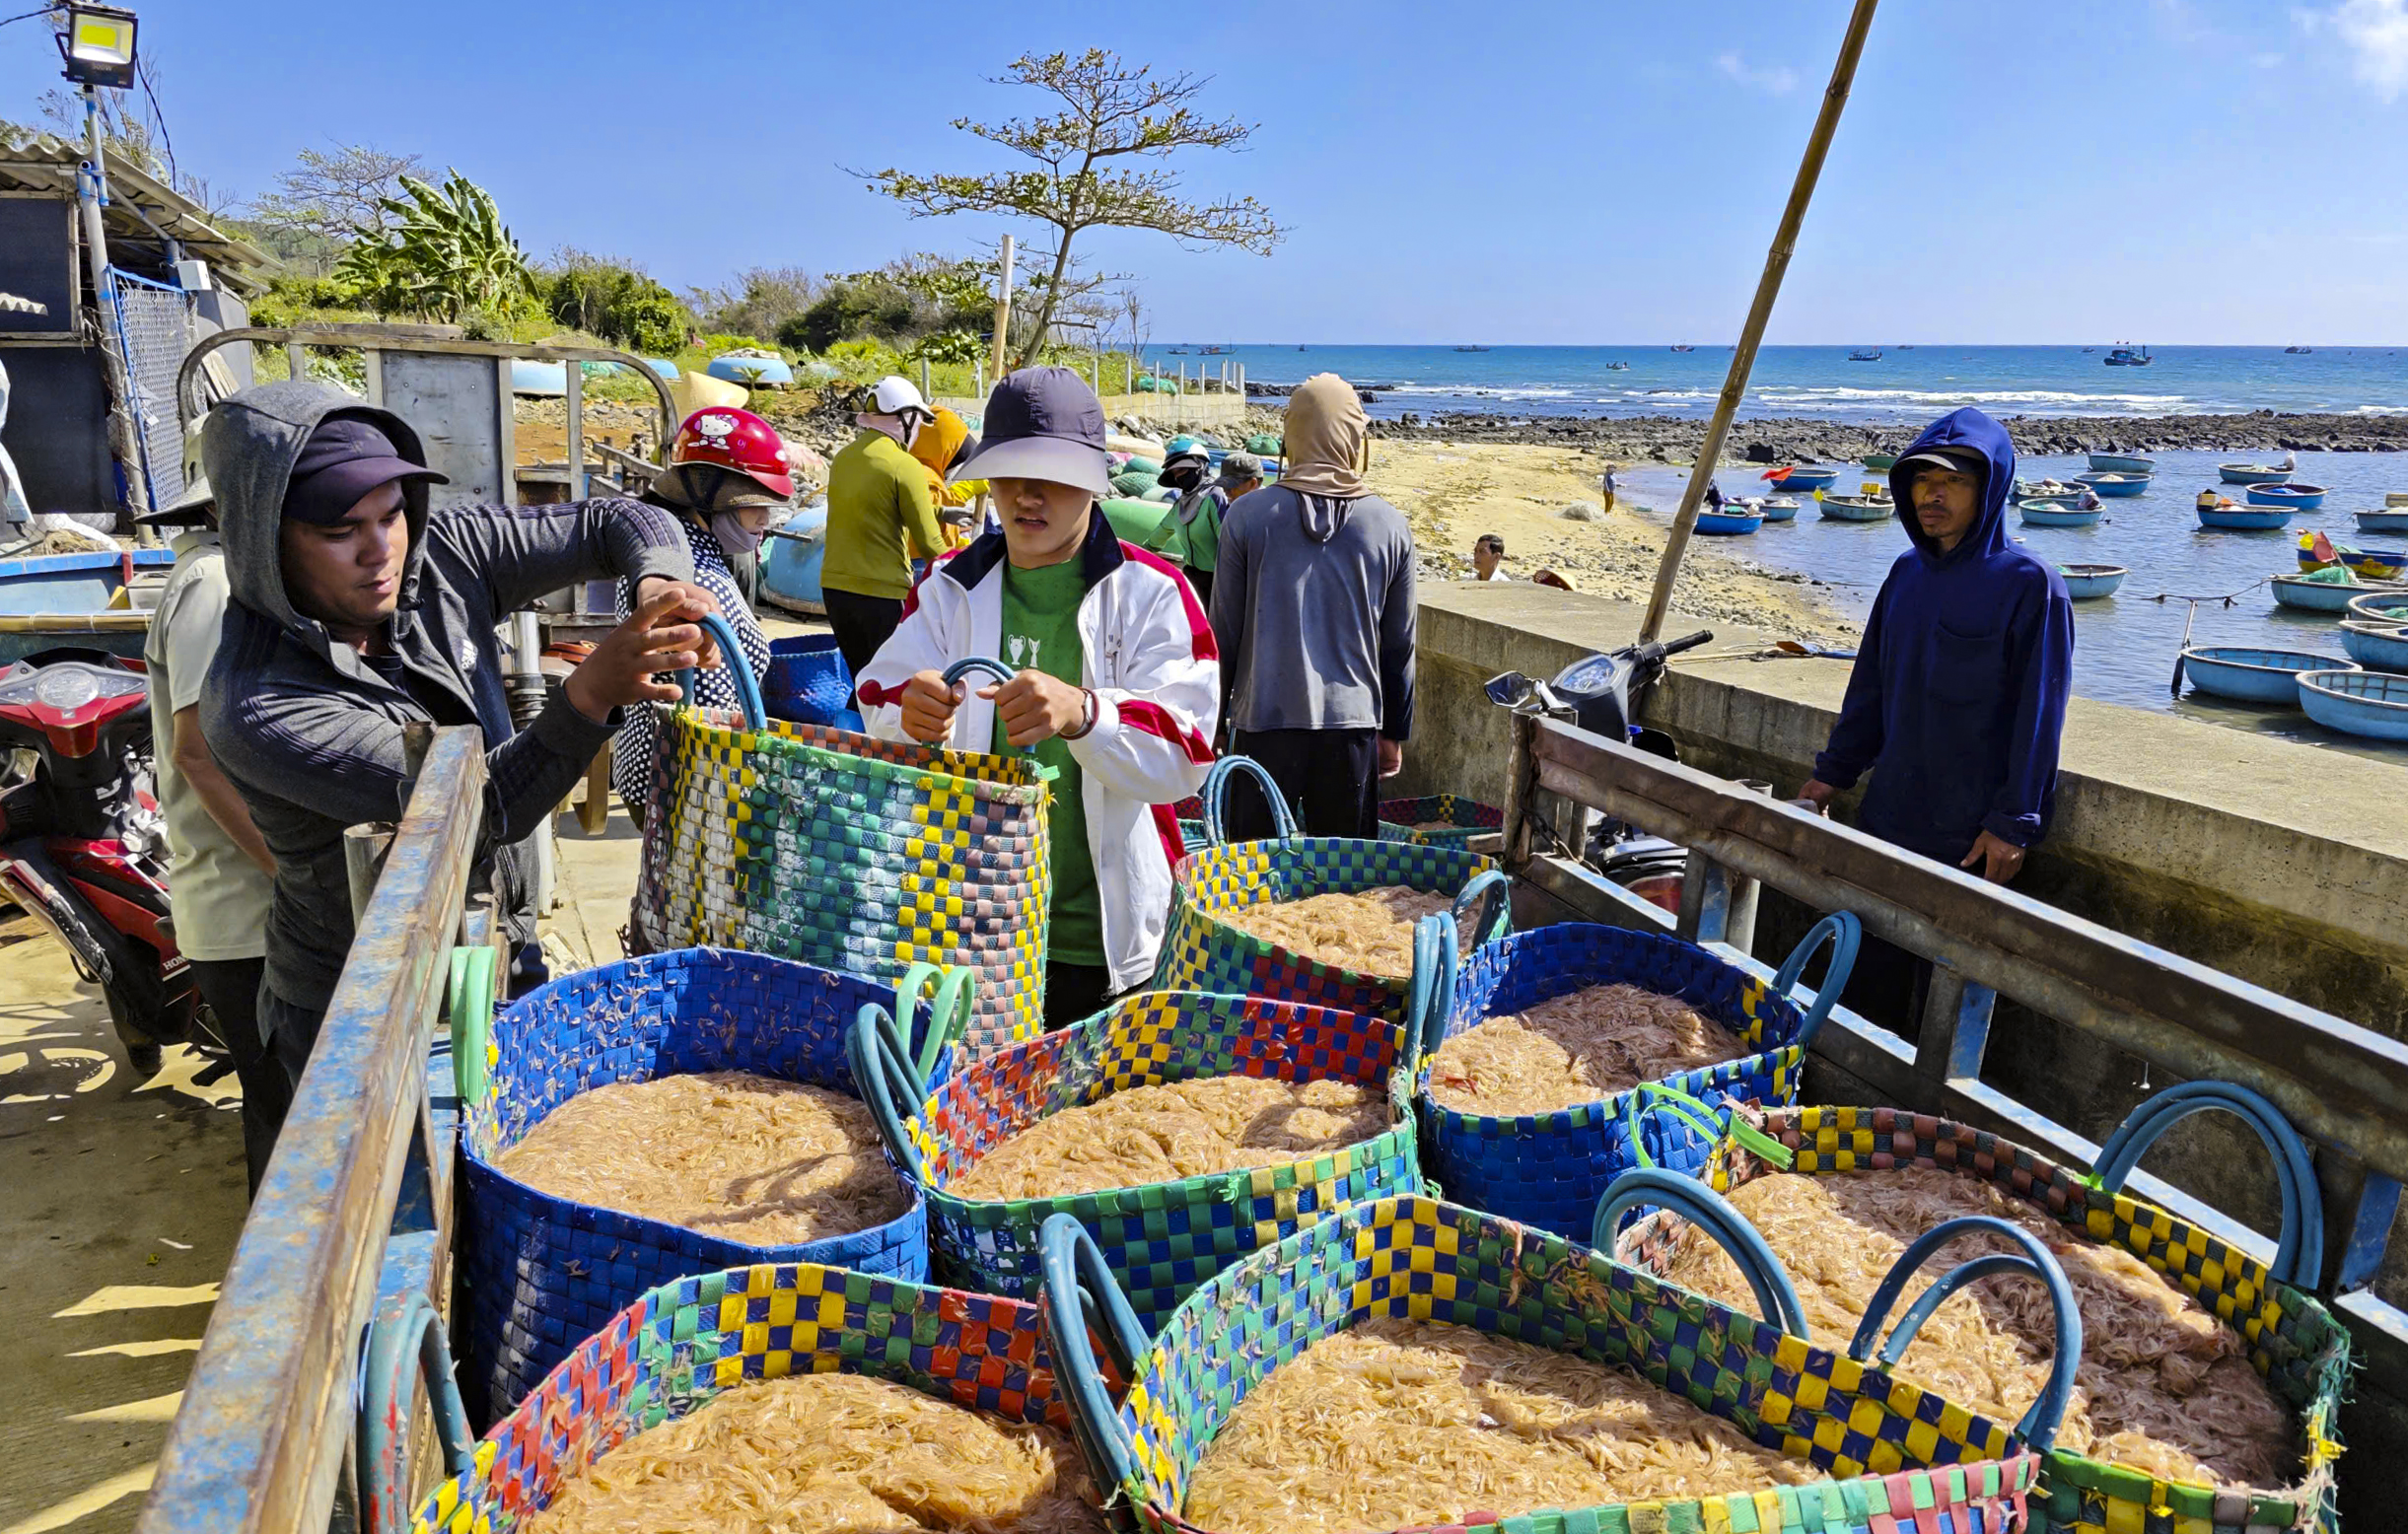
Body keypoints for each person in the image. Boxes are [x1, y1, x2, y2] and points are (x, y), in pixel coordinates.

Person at [201, 381, 716, 1130]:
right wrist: (589, 695)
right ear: (264, 536)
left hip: (491, 953)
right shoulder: (258, 704)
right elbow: (473, 809)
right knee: (396, 1207)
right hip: (363, 1005)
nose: (381, 548)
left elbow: (622, 517)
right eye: (341, 530)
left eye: (391, 515)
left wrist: (661, 578)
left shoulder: (444, 553)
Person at [855, 367, 1218, 1028]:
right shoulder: (945, 585)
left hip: (1104, 941)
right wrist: (910, 712)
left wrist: (1087, 714)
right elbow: (879, 690)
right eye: (1011, 471)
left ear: (1092, 483)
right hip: (966, 926)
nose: (1027, 494)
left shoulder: (1153, 591)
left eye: (1052, 475)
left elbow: (1186, 751)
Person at [1796, 407, 2073, 1019]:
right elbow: (1869, 687)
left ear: (1991, 488)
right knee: (1865, 992)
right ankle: (1854, 1112)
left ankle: (1921, 1115)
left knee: (1949, 1009)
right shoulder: (1904, 574)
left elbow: (2040, 714)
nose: (1933, 495)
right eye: (1921, 482)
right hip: (1888, 817)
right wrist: (1831, 774)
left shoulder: (2031, 584)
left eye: (1954, 482)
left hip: (1968, 837)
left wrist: (2013, 822)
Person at [137, 427, 284, 1194]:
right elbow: (198, 752)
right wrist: (287, 870)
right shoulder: (213, 584)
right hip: (243, 913)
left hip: (257, 902)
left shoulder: (241, 580)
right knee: (283, 1111)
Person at [1212, 373, 1416, 839]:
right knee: (1347, 886)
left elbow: (1223, 632)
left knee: (1253, 879)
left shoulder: (1246, 517)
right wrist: (1394, 731)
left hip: (1262, 724)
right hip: (1354, 727)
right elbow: (1400, 644)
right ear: (1355, 439)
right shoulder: (1389, 524)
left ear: (1291, 437)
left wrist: (1213, 722)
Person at [608, 406, 788, 821]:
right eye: (755, 503)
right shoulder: (697, 579)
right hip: (689, 789)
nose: (765, 518)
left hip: (648, 771)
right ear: (708, 493)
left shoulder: (658, 554)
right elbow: (708, 710)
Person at [822, 376, 946, 679]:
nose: (918, 429)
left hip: (835, 591)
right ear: (905, 417)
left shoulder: (844, 457)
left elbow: (875, 506)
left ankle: (846, 727)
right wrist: (969, 567)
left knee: (860, 681)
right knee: (887, 688)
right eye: (918, 420)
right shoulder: (905, 465)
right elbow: (930, 545)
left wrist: (943, 512)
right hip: (881, 593)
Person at [1146, 446, 1259, 611]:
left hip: (1218, 582)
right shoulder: (1180, 506)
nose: (1179, 477)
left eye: (1183, 470)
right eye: (1174, 473)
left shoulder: (1214, 497)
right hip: (1191, 578)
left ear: (1200, 467)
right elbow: (1156, 539)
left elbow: (1227, 542)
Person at [906, 405, 984, 547]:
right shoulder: (915, 471)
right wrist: (963, 491)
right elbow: (928, 507)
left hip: (930, 552)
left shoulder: (931, 473)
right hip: (918, 560)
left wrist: (955, 540)